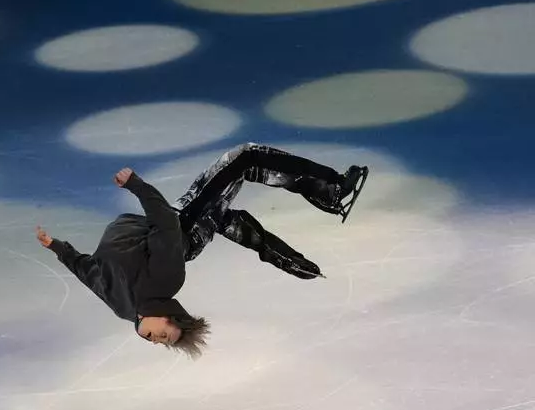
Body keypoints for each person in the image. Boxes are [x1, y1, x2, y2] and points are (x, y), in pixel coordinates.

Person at [35, 143, 368, 359]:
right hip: (185, 225)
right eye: (166, 336)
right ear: (168, 314)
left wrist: (56, 247)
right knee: (246, 158)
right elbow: (166, 223)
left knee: (226, 215)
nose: (157, 341)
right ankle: (331, 191)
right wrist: (136, 185)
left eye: (160, 340)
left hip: (182, 228)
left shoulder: (123, 307)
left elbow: (87, 272)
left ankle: (284, 255)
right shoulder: (163, 281)